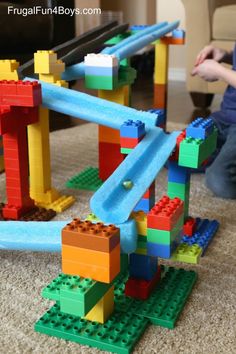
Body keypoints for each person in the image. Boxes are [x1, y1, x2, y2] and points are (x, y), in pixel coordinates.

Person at [191, 44, 236, 199]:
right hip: (225, 117)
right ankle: (223, 155)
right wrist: (225, 55)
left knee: (220, 180)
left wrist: (218, 71)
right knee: (175, 155)